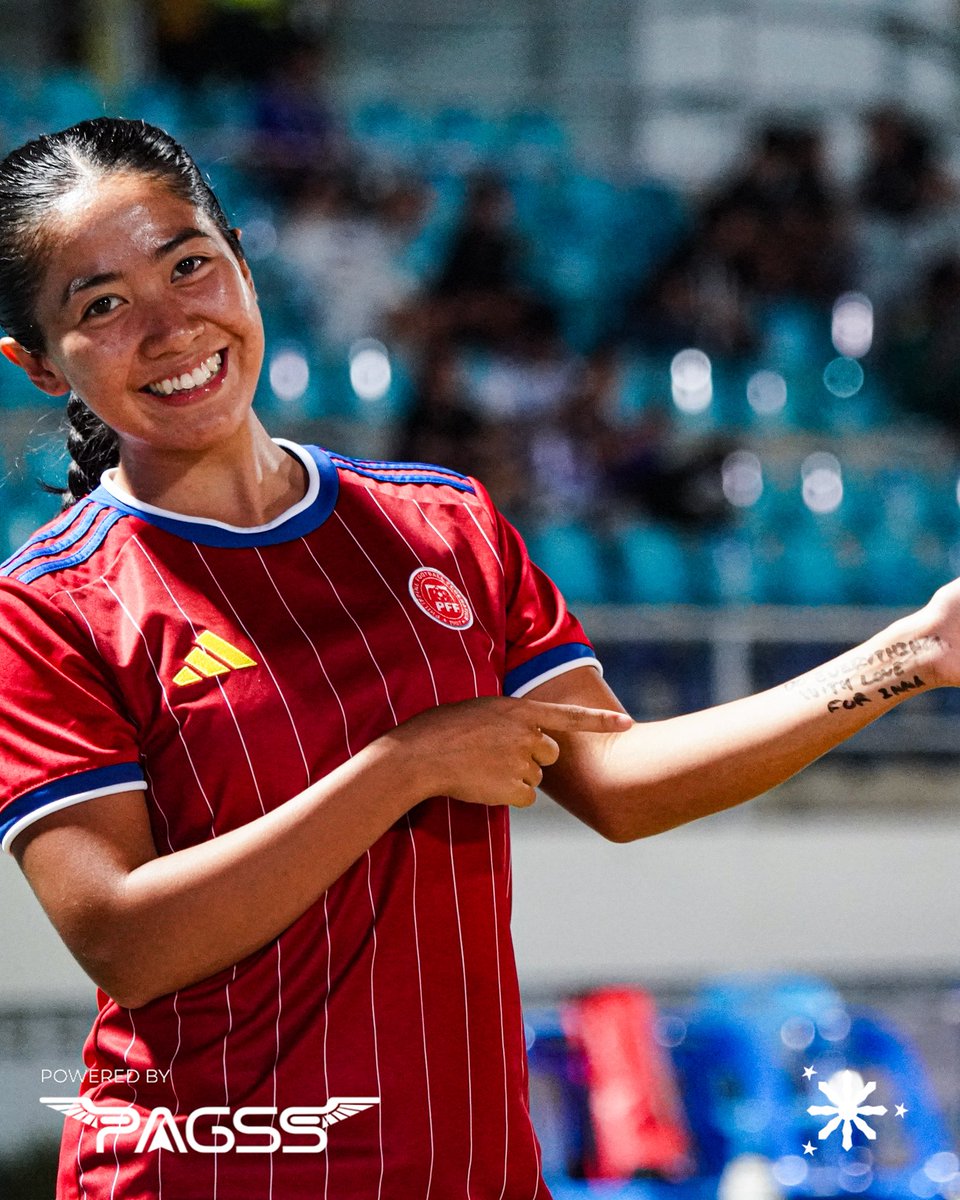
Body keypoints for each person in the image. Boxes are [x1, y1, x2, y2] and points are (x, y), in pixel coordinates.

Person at [0, 118, 958, 1200]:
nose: (173, 325)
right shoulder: (50, 606)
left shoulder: (441, 524)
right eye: (104, 305)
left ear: (240, 261)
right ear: (38, 364)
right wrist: (404, 766)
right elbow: (128, 942)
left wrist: (916, 651)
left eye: (189, 265)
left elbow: (618, 780)